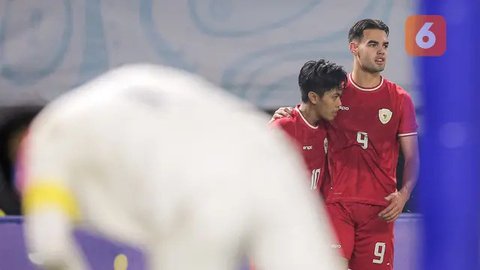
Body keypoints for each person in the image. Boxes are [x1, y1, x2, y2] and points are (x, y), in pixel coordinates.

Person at [20, 64, 345, 270]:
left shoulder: (46, 140)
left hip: (197, 189)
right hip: (268, 153)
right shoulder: (99, 102)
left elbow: (51, 248)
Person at [271, 19, 419, 269]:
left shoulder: (400, 99)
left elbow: (413, 158)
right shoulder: (335, 91)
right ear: (354, 47)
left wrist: (403, 196)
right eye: (373, 44)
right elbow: (309, 112)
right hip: (336, 205)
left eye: (385, 45)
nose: (381, 51)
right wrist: (287, 114)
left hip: (379, 212)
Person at [269, 59, 346, 197]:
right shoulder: (283, 127)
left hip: (309, 215)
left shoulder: (327, 128)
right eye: (335, 97)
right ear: (314, 97)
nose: (339, 103)